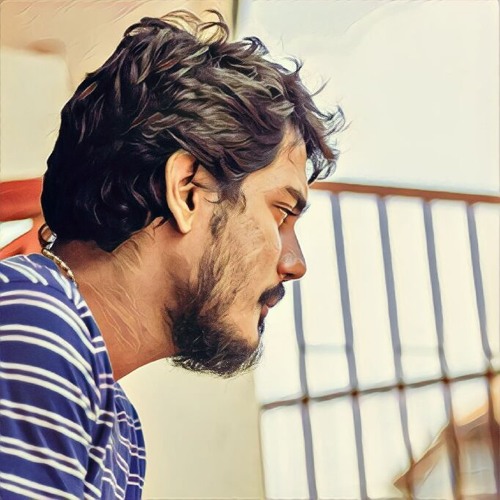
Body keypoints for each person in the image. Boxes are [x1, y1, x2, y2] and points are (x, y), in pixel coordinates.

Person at [0, 10, 343, 499]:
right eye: (281, 213)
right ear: (187, 191)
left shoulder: (120, 424)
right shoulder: (33, 323)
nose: (295, 264)